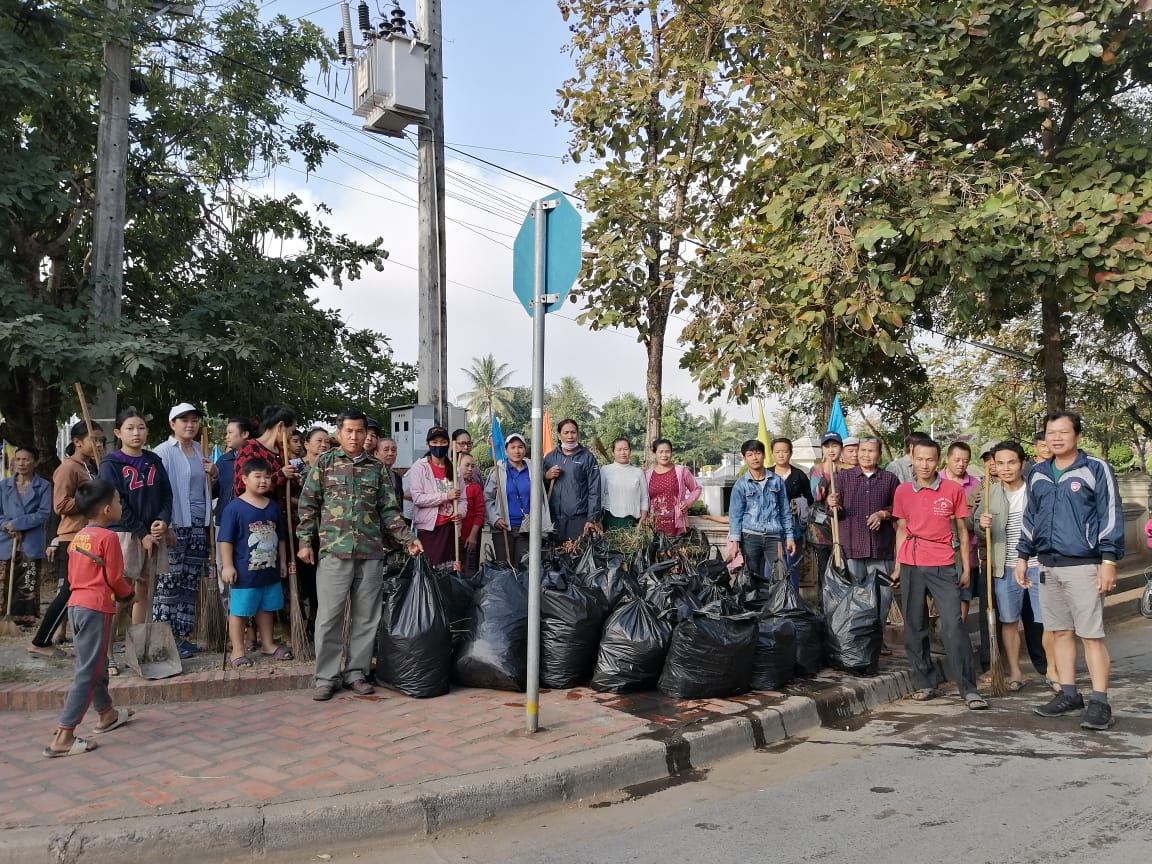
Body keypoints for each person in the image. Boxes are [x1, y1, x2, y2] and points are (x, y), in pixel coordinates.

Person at [296, 409, 422, 701]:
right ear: (338, 433)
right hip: (334, 552)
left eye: (359, 431)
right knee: (329, 617)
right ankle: (326, 677)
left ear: (367, 434)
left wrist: (407, 539)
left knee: (366, 617)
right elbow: (308, 505)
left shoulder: (377, 468)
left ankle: (356, 673)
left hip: (370, 552)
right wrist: (305, 542)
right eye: (348, 431)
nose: (354, 437)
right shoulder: (325, 463)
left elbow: (389, 510)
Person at [1017, 411, 1124, 730]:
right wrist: (1023, 556)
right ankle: (1068, 694)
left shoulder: (1096, 468)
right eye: (1051, 432)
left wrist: (1108, 561)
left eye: (1063, 432)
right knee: (1060, 632)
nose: (1057, 437)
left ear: (1077, 436)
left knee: (1091, 635)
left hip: (1084, 565)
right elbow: (1030, 517)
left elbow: (1110, 514)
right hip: (1047, 565)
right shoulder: (1037, 473)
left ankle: (1100, 702)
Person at [892, 438, 986, 710]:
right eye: (919, 459)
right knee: (914, 626)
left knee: (953, 625)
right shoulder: (903, 491)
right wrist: (898, 565)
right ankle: (925, 682)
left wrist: (965, 567)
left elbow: (963, 531)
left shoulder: (952, 490)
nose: (924, 465)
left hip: (943, 564)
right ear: (912, 458)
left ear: (938, 461)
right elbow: (902, 528)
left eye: (930, 459)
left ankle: (969, 689)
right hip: (911, 563)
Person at [42, 480, 135, 757]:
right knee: (89, 671)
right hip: (96, 607)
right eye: (117, 501)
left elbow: (72, 578)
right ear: (107, 509)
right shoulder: (108, 538)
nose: (120, 506)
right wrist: (128, 595)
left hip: (76, 606)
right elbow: (115, 577)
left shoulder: (79, 537)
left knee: (95, 663)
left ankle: (106, 714)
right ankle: (64, 735)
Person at [976, 441, 1053, 692]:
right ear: (994, 466)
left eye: (1011, 462)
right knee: (1009, 621)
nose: (1006, 468)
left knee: (1046, 620)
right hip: (1005, 567)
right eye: (1000, 463)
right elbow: (976, 527)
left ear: (1022, 463)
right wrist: (981, 524)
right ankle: (1015, 672)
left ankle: (1053, 670)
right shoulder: (990, 493)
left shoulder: (1036, 490)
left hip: (1038, 565)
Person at [28, 422, 105, 658]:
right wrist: (92, 499)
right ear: (77, 442)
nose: (99, 444)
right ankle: (40, 641)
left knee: (81, 590)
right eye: (94, 439)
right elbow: (60, 505)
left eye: (101, 440)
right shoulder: (68, 468)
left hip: (91, 535)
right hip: (74, 537)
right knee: (69, 591)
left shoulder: (90, 467)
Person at [98, 408, 172, 647]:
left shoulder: (154, 460)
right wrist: (141, 533)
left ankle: (137, 647)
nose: (136, 433)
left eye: (141, 427)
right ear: (118, 432)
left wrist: (163, 520)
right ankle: (107, 650)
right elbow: (117, 501)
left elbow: (166, 495)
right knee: (121, 591)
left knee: (145, 592)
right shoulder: (111, 463)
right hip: (125, 533)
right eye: (130, 428)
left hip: (154, 532)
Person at [153, 402, 218, 659]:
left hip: (199, 524)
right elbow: (159, 492)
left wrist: (214, 472)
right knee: (169, 582)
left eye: (194, 420)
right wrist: (166, 524)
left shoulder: (200, 450)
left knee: (190, 583)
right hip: (176, 524)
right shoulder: (163, 452)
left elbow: (205, 487)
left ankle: (181, 637)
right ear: (172, 424)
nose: (190, 425)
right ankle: (163, 640)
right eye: (184, 420)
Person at [825, 437, 899, 654]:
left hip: (880, 547)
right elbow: (832, 512)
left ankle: (878, 639)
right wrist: (831, 504)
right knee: (854, 596)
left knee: (882, 597)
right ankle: (855, 641)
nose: (866, 455)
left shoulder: (889, 479)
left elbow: (899, 508)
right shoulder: (842, 478)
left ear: (879, 454)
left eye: (871, 451)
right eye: (863, 450)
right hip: (852, 547)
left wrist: (883, 514)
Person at [218, 457, 292, 668]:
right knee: (240, 611)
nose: (263, 481)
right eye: (257, 476)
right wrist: (228, 565)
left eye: (267, 477)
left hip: (270, 570)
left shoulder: (273, 507)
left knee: (267, 608)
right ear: (244, 479)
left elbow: (281, 538)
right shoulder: (234, 508)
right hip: (245, 572)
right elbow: (226, 540)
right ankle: (238, 650)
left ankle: (268, 644)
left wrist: (283, 561)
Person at [725, 439, 795, 585]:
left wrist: (789, 537)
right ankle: (754, 601)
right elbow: (735, 516)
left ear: (764, 455)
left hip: (774, 536)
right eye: (750, 455)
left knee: (780, 577)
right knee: (751, 579)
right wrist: (735, 541)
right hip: (750, 536)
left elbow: (785, 511)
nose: (754, 458)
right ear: (744, 458)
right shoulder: (741, 485)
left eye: (757, 453)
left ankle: (778, 601)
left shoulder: (776, 481)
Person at [0, 446, 52, 625]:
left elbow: (43, 513)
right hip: (6, 539)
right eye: (18, 459)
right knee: (4, 578)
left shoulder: (43, 486)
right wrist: (7, 526)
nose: (21, 463)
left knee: (27, 579)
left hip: (31, 539)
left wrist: (17, 524)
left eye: (26, 459)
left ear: (35, 462)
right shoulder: (3, 486)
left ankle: (24, 618)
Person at [486, 432, 551, 566]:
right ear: (506, 450)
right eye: (513, 447)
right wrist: (495, 519)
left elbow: (541, 499)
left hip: (527, 529)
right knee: (504, 569)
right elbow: (487, 499)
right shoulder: (498, 471)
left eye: (520, 447)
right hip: (503, 528)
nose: (517, 451)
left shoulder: (533, 470)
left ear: (525, 450)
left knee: (524, 568)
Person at [408, 426, 466, 567]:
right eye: (434, 442)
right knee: (430, 569)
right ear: (427, 444)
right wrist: (445, 496)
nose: (439, 445)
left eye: (443, 442)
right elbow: (418, 499)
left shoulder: (455, 469)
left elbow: (463, 499)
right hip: (428, 530)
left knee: (450, 569)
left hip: (450, 528)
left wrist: (460, 512)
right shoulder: (419, 467)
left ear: (448, 444)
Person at [544, 419, 602, 543]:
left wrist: (592, 519)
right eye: (566, 433)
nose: (570, 436)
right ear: (559, 435)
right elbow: (538, 488)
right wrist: (546, 476)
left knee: (577, 552)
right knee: (555, 553)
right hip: (554, 520)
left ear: (578, 434)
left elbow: (595, 490)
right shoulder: (550, 458)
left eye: (573, 432)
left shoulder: (587, 457)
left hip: (579, 520)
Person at [768, 437, 812, 589]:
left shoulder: (799, 475)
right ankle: (771, 596)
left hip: (793, 527)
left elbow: (809, 498)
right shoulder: (766, 474)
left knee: (792, 563)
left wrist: (799, 504)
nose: (781, 455)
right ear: (772, 453)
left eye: (785, 451)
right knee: (771, 564)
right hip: (770, 526)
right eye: (777, 452)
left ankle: (793, 597)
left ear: (791, 453)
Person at [807, 432, 844, 587]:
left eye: (834, 446)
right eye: (827, 446)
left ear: (841, 448)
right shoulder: (816, 470)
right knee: (825, 570)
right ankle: (824, 600)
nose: (831, 450)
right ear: (822, 449)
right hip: (821, 529)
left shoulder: (848, 470)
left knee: (843, 569)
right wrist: (828, 474)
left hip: (843, 526)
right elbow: (816, 495)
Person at [644, 438, 701, 538]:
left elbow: (697, 489)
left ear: (671, 453)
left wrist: (687, 503)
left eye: (667, 452)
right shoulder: (647, 475)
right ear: (654, 453)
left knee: (678, 548)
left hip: (677, 524)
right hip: (654, 526)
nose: (664, 455)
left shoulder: (681, 471)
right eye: (661, 452)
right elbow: (643, 499)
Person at [600, 437, 649, 530]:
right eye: (619, 450)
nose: (623, 452)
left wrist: (642, 520)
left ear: (630, 451)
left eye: (626, 449)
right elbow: (600, 497)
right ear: (613, 452)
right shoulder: (605, 470)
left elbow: (644, 498)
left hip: (634, 521)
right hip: (610, 519)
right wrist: (598, 520)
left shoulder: (638, 472)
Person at [214, 418, 254, 524]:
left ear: (245, 434)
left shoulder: (256, 460)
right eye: (226, 433)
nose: (226, 437)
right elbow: (214, 491)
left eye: (230, 433)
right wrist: (211, 476)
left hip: (249, 519)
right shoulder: (223, 460)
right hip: (225, 519)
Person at [457, 453, 485, 578]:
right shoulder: (449, 487)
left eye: (473, 466)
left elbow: (479, 513)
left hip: (468, 538)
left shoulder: (475, 488)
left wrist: (473, 536)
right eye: (467, 465)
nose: (470, 469)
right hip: (452, 538)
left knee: (468, 573)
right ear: (457, 466)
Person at [376, 437, 404, 502]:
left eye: (393, 450)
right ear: (376, 453)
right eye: (386, 450)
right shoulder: (370, 475)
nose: (390, 453)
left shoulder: (397, 477)